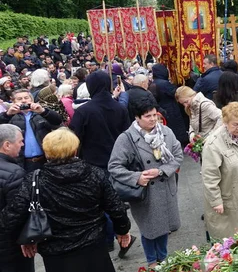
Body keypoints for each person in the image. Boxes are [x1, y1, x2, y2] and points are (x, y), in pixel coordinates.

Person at [0, 128, 132, 272]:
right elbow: (115, 207)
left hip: (56, 252)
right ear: (75, 150)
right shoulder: (95, 174)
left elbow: (12, 217)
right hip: (93, 246)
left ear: (47, 152)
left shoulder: (35, 179)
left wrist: (25, 239)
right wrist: (122, 230)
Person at [108, 98, 183, 269]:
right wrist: (136, 177)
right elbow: (114, 166)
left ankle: (163, 259)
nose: (153, 119)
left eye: (155, 115)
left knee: (164, 227)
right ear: (137, 117)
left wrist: (162, 170)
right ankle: (151, 262)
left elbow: (178, 156)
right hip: (145, 193)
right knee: (149, 229)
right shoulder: (126, 138)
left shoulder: (165, 132)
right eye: (147, 116)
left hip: (165, 188)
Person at [68, 71, 132, 253]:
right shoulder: (119, 108)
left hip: (93, 162)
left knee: (101, 202)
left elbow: (74, 138)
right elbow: (127, 135)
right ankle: (122, 233)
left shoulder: (84, 111)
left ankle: (111, 237)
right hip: (118, 160)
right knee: (115, 200)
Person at [201, 102, 238, 239]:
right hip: (228, 201)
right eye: (235, 124)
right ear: (225, 122)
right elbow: (209, 177)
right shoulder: (213, 144)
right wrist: (216, 201)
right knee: (232, 240)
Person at [0, 89, 62, 172]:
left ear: (31, 100)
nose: (23, 101)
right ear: (13, 101)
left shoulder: (40, 113)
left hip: (44, 160)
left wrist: (43, 112)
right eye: (19, 99)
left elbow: (57, 121)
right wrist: (7, 114)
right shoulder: (10, 115)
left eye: (26, 98)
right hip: (22, 162)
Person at [0, 124, 32, 272]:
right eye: (20, 141)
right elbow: (17, 214)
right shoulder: (14, 173)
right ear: (7, 145)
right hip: (9, 248)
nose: (22, 144)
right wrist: (27, 239)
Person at [151, 64, 189, 146]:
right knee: (176, 126)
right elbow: (174, 92)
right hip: (171, 107)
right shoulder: (164, 83)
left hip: (162, 106)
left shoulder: (154, 83)